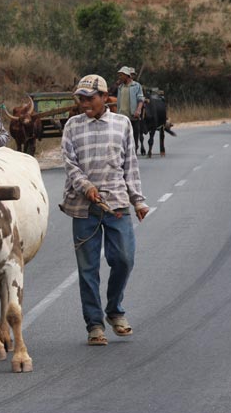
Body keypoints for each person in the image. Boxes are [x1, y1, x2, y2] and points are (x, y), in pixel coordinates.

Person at [60, 74, 150, 346]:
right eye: (81, 99)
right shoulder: (72, 126)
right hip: (83, 206)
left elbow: (130, 166)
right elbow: (69, 163)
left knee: (124, 259)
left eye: (90, 98)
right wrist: (85, 185)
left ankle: (114, 310)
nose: (85, 103)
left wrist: (139, 200)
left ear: (103, 98)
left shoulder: (121, 124)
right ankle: (95, 324)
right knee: (88, 269)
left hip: (117, 204)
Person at [116, 66, 144, 152]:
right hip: (122, 117)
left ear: (126, 75)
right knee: (122, 137)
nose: (119, 77)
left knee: (134, 136)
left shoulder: (136, 86)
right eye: (119, 75)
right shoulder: (120, 87)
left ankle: (134, 153)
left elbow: (141, 99)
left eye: (121, 75)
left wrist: (138, 110)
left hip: (132, 116)